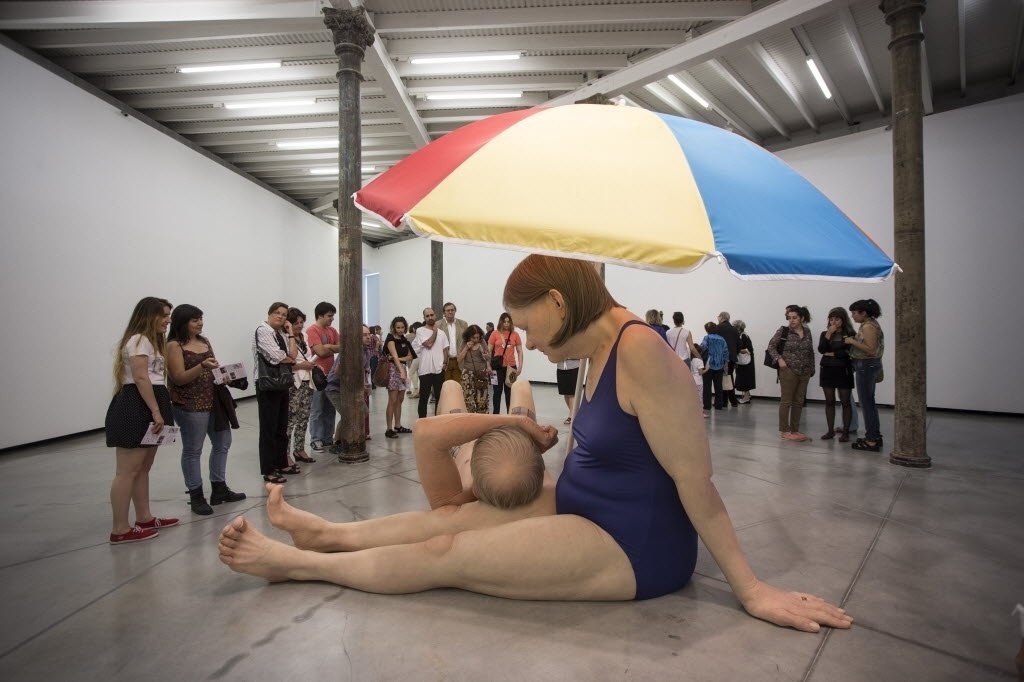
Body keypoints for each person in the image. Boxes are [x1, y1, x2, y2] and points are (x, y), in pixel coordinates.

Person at [218, 255, 852, 636]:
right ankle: (329, 535)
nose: (530, 340)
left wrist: (751, 588)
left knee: (448, 550)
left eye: (528, 325)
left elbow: (697, 484)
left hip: (633, 543)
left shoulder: (642, 352)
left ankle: (299, 563)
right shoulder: (597, 351)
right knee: (452, 516)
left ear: (557, 302)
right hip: (582, 509)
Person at [105, 297, 179, 544]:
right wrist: (156, 412)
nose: (168, 320)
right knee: (127, 471)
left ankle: (144, 517)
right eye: (164, 315)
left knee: (143, 467)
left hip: (151, 402)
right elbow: (140, 378)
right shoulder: (139, 340)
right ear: (149, 315)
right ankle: (120, 528)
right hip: (137, 406)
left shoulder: (151, 342)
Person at [166, 303, 246, 516]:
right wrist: (202, 366)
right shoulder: (174, 345)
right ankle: (196, 495)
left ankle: (219, 489)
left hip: (214, 401)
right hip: (190, 404)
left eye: (201, 319)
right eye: (195, 320)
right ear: (182, 322)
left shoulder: (204, 341)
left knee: (223, 443)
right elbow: (178, 378)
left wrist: (223, 375)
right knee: (193, 450)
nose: (200, 323)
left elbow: (212, 369)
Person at [253, 302, 299, 483]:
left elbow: (292, 355)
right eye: (277, 313)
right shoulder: (262, 331)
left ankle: (281, 463)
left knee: (281, 427)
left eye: (284, 314)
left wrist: (290, 333)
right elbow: (278, 356)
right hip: (267, 384)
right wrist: (288, 359)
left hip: (281, 383)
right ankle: (269, 469)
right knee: (268, 429)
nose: (280, 317)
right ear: (270, 313)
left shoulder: (281, 334)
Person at [767, 305, 816, 442]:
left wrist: (812, 368)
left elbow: (810, 351)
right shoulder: (784, 331)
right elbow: (771, 346)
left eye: (795, 318)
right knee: (786, 401)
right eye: (789, 318)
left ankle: (795, 429)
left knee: (799, 401)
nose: (791, 321)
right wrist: (779, 359)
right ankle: (784, 430)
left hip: (804, 371)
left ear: (802, 318)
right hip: (788, 370)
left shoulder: (807, 332)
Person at [325, 325, 373, 462]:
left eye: (368, 334)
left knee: (362, 412)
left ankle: (351, 439)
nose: (368, 337)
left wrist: (363, 384)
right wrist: (343, 367)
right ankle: (337, 443)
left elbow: (363, 369)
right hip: (335, 388)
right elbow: (338, 372)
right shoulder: (349, 351)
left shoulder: (366, 352)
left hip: (351, 389)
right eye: (364, 335)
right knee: (348, 415)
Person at [845, 299, 885, 452]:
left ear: (864, 313)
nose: (853, 316)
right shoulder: (870, 324)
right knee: (869, 402)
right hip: (867, 366)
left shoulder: (868, 326)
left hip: (866, 366)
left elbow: (870, 349)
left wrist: (851, 341)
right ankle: (874, 435)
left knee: (867, 403)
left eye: (855, 313)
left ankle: (871, 440)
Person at [305, 302, 340, 454]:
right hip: (317, 376)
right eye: (329, 316)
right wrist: (329, 347)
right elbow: (319, 351)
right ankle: (316, 439)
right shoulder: (312, 331)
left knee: (330, 409)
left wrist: (328, 347)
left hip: (331, 376)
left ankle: (327, 438)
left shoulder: (332, 330)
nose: (332, 319)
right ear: (320, 315)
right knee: (317, 409)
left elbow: (341, 346)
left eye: (333, 316)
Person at [285, 308, 318, 467]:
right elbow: (284, 362)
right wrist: (299, 365)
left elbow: (308, 355)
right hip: (293, 382)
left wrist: (311, 364)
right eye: (295, 323)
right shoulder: (285, 337)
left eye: (301, 322)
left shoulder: (304, 336)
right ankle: (284, 453)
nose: (299, 325)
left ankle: (299, 449)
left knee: (304, 416)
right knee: (290, 419)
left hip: (307, 380)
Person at [818, 307, 856, 442]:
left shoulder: (850, 333)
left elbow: (849, 352)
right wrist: (828, 334)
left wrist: (833, 354)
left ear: (843, 320)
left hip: (843, 370)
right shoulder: (825, 333)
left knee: (845, 401)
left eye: (837, 319)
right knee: (829, 401)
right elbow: (822, 349)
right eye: (831, 319)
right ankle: (830, 431)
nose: (834, 322)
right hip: (827, 369)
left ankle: (846, 431)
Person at [413, 308, 450, 419]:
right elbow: (428, 344)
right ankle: (422, 421)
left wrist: (444, 363)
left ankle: (438, 420)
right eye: (427, 316)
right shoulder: (420, 330)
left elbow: (445, 349)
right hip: (425, 369)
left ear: (435, 316)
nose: (430, 317)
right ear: (424, 318)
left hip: (439, 369)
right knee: (424, 397)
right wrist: (434, 331)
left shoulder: (442, 333)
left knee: (440, 397)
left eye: (431, 315)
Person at [383, 316, 415, 438]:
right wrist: (401, 370)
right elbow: (394, 356)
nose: (400, 330)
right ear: (394, 327)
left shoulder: (404, 340)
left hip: (401, 368)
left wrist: (401, 363)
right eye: (398, 327)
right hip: (393, 370)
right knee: (392, 399)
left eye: (402, 327)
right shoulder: (390, 338)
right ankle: (388, 428)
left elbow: (410, 356)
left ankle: (398, 425)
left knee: (400, 399)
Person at [488, 312, 523, 414]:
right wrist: (488, 365)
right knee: (497, 392)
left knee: (510, 393)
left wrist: (520, 367)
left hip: (511, 367)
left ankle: (510, 414)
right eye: (504, 322)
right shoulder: (495, 334)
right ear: (501, 322)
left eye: (508, 322)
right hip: (497, 367)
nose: (506, 324)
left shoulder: (515, 335)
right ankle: (496, 415)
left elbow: (520, 351)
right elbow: (488, 350)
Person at [457, 324, 491, 414]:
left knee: (482, 400)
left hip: (481, 374)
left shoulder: (482, 342)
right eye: (473, 338)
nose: (476, 340)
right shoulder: (464, 342)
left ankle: (483, 422)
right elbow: (459, 359)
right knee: (468, 400)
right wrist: (466, 348)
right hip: (467, 374)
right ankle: (470, 422)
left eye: (477, 337)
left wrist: (486, 356)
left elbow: (488, 356)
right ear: (469, 337)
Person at [699, 322, 728, 411]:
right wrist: (725, 364)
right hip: (719, 365)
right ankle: (719, 405)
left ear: (707, 330)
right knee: (718, 386)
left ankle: (707, 405)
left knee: (707, 386)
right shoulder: (722, 339)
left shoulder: (707, 338)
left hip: (708, 365)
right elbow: (726, 352)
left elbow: (702, 348)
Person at [438, 302, 469, 383]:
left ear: (455, 311)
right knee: (445, 387)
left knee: (459, 387)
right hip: (445, 361)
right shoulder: (438, 325)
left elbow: (467, 341)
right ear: (444, 312)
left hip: (459, 361)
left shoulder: (463, 324)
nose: (450, 312)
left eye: (452, 310)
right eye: (448, 310)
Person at [716, 312, 740, 407]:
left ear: (721, 317)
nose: (717, 318)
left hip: (721, 357)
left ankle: (724, 401)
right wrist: (735, 354)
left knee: (721, 378)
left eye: (718, 316)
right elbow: (739, 344)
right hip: (732, 357)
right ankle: (732, 400)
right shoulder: (734, 329)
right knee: (729, 377)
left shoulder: (718, 328)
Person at [733, 320, 756, 404]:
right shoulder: (743, 335)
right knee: (745, 378)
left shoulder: (743, 336)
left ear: (738, 328)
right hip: (746, 362)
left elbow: (744, 349)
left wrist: (735, 350)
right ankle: (748, 395)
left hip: (745, 363)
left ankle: (746, 397)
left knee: (744, 379)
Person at [556, 357, 581, 424]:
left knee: (571, 393)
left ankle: (571, 416)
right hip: (560, 367)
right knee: (565, 393)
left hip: (574, 367)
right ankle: (574, 413)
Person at [689, 352, 708, 418]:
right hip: (699, 381)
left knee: (693, 397)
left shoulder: (691, 360)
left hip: (692, 380)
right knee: (700, 397)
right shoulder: (699, 360)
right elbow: (700, 372)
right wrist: (707, 369)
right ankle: (701, 413)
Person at [406, 321, 422, 398]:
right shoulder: (419, 336)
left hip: (417, 357)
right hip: (418, 357)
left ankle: (416, 390)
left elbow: (420, 347)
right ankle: (418, 390)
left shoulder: (410, 337)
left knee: (411, 372)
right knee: (419, 374)